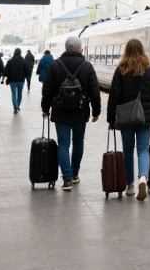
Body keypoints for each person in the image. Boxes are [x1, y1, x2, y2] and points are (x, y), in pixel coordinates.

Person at [107, 39, 150, 201]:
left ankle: (130, 185)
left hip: (126, 119)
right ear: (142, 50)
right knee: (143, 149)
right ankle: (143, 178)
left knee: (128, 151)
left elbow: (113, 98)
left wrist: (111, 119)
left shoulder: (121, 71)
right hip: (145, 118)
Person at [41, 38, 101, 191]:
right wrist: (96, 110)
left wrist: (45, 108)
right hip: (80, 111)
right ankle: (74, 174)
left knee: (63, 144)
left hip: (60, 111)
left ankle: (66, 178)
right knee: (78, 143)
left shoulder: (55, 65)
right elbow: (94, 90)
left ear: (66, 48)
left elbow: (47, 89)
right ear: (80, 49)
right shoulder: (87, 66)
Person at [3, 48, 31, 114]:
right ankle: (18, 105)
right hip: (21, 80)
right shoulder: (24, 61)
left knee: (13, 94)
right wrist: (27, 77)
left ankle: (15, 106)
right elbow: (27, 70)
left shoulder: (10, 61)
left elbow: (5, 71)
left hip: (12, 80)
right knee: (20, 93)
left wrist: (6, 76)